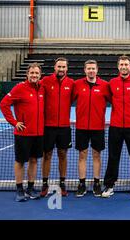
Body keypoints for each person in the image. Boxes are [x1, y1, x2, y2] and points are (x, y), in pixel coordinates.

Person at [0, 63, 44, 202]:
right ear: (27, 74)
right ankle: (19, 190)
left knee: (34, 161)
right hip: (23, 134)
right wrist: (14, 122)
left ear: (40, 75)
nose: (34, 75)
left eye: (36, 73)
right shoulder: (20, 88)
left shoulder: (42, 88)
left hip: (38, 133)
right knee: (20, 162)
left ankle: (30, 188)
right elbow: (4, 104)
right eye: (32, 73)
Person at [101, 56, 130, 199]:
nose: (124, 66)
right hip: (116, 127)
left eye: (126, 64)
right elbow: (109, 99)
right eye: (121, 64)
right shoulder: (112, 83)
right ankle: (109, 185)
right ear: (118, 67)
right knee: (113, 157)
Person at [72, 60, 111, 197]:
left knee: (96, 155)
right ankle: (82, 184)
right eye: (89, 69)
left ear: (97, 70)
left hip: (98, 127)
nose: (91, 71)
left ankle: (96, 183)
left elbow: (117, 99)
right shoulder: (77, 85)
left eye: (93, 68)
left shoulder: (105, 86)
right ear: (85, 70)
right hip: (81, 127)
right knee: (82, 155)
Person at [40, 57, 74, 197]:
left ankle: (62, 182)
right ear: (55, 68)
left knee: (62, 155)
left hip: (64, 127)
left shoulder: (72, 83)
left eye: (63, 67)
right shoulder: (45, 81)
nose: (61, 69)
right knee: (46, 155)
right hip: (48, 127)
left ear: (67, 68)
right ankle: (44, 183)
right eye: (59, 67)